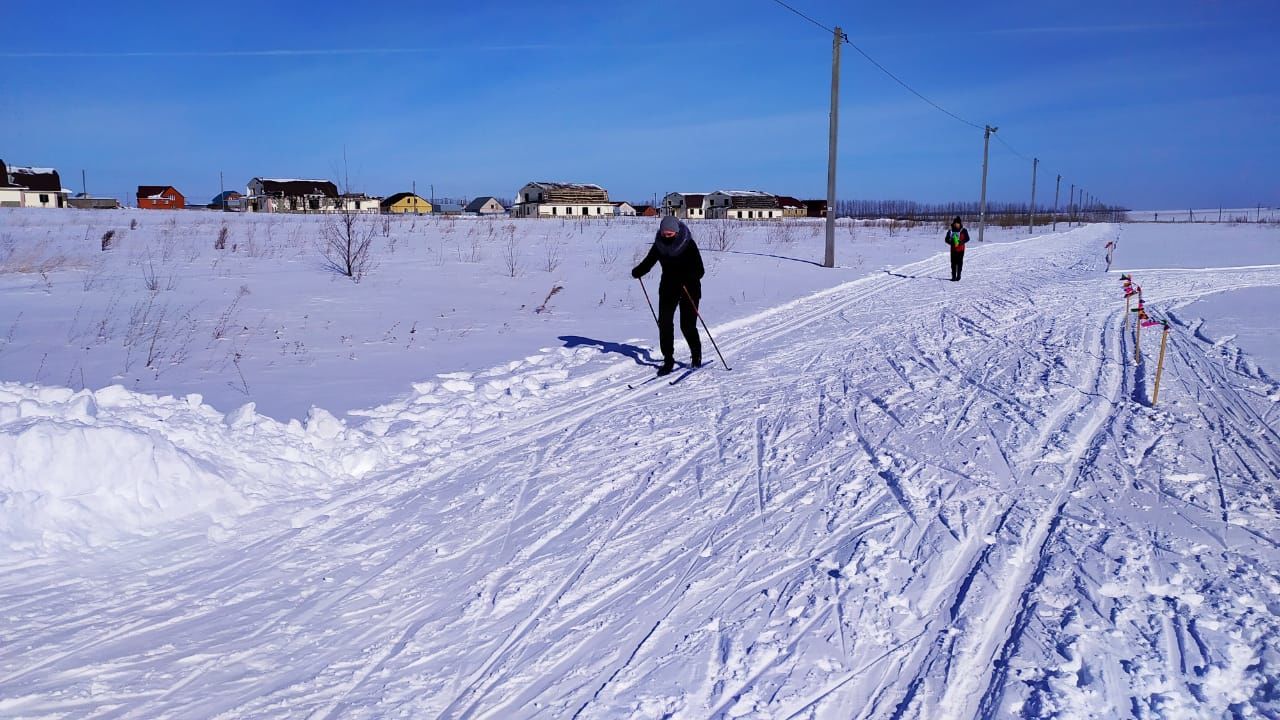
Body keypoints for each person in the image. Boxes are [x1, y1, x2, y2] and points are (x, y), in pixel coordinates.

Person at [632, 216, 704, 376]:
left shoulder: (688, 244)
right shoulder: (659, 244)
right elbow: (649, 261)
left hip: (689, 288)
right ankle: (668, 359)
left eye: (670, 234)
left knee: (687, 325)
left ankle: (696, 354)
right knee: (664, 323)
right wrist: (638, 271)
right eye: (664, 233)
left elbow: (700, 270)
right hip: (668, 287)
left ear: (677, 233)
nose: (666, 237)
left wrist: (686, 276)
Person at [944, 216, 969, 281]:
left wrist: (961, 242)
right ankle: (953, 276)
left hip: (961, 249)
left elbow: (967, 238)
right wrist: (950, 242)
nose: (956, 224)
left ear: (960, 223)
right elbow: (946, 239)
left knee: (959, 263)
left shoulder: (963, 230)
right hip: (953, 250)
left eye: (957, 223)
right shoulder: (950, 230)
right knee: (953, 263)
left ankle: (958, 275)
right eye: (955, 223)